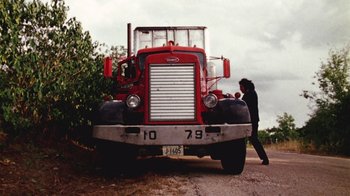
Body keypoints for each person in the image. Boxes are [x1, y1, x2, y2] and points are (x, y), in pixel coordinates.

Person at [239, 78, 269, 165]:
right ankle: (264, 158)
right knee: (253, 139)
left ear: (245, 86)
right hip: (253, 120)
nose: (240, 89)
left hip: (251, 120)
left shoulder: (249, 94)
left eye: (241, 86)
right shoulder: (251, 93)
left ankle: (264, 158)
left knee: (253, 139)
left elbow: (242, 104)